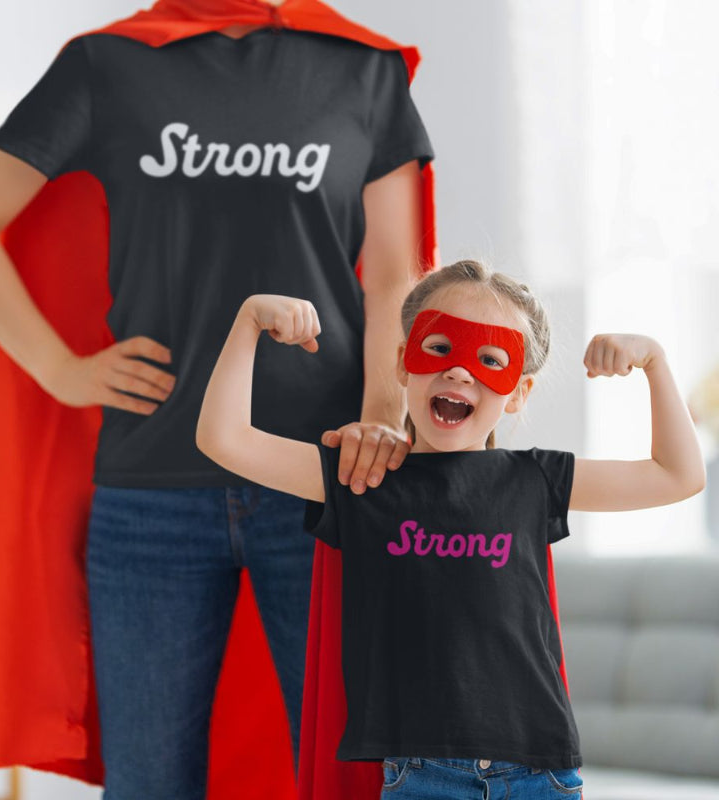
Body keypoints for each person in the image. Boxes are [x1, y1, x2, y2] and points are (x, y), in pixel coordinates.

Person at [0, 1, 438, 799]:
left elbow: (396, 277)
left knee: (352, 777)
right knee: (148, 785)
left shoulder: (363, 70)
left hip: (322, 483)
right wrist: (61, 369)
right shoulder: (107, 64)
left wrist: (382, 413)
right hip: (148, 493)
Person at [196, 258, 706, 800]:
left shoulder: (535, 479)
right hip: (422, 775)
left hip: (540, 772)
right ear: (403, 363)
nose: (460, 372)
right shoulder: (362, 480)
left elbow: (678, 475)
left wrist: (655, 362)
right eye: (439, 348)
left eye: (490, 359)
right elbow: (223, 439)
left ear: (519, 393)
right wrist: (249, 321)